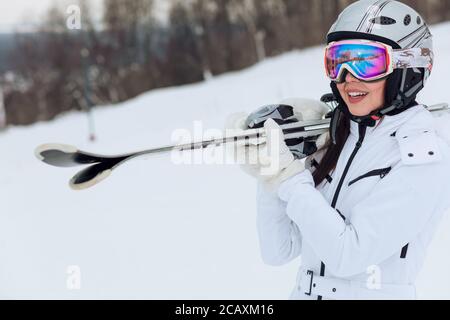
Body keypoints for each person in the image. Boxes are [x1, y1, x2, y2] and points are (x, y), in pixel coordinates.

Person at [227, 0, 450, 300]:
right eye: (337, 62)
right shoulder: (338, 137)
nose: (347, 78)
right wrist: (269, 166)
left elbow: (348, 254)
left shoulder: (423, 158)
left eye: (367, 63)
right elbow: (278, 250)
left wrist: (289, 177)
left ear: (407, 68)